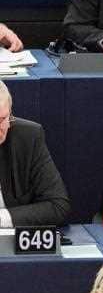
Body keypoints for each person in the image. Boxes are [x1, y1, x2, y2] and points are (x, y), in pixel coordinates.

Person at [0, 81, 69, 227]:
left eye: (2, 119)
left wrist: (2, 218)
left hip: (13, 236)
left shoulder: (28, 137)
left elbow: (57, 206)